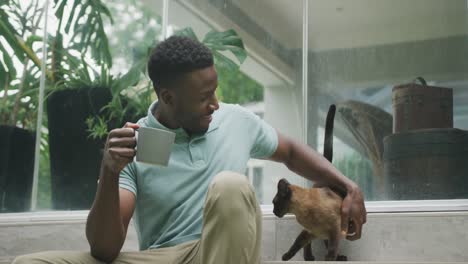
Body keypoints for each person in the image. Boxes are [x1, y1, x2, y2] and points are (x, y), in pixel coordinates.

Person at [14, 36, 366, 264]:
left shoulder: (236, 120)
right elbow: (104, 250)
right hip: (164, 257)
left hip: (224, 251)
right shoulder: (135, 143)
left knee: (230, 185)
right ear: (168, 97)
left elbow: (290, 151)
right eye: (203, 98)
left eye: (215, 91)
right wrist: (109, 172)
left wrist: (348, 187)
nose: (215, 104)